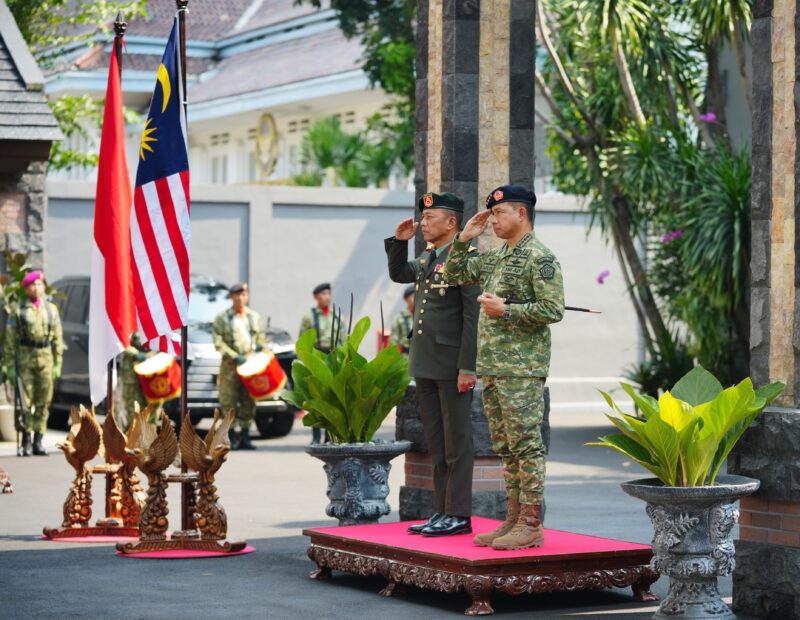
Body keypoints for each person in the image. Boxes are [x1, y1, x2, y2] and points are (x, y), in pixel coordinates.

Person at [444, 184, 564, 550]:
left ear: (521, 214)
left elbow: (553, 310)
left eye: (499, 213)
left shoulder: (540, 258)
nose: (493, 220)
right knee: (506, 447)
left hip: (522, 369)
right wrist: (464, 238)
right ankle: (511, 519)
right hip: (494, 367)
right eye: (491, 214)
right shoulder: (496, 256)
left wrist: (506, 310)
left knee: (527, 446)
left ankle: (531, 523)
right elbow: (454, 273)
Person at [385, 191, 479, 537]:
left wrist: (467, 367)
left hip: (452, 365)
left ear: (451, 222)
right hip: (425, 363)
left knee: (458, 443)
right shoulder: (429, 257)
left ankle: (459, 514)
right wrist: (398, 242)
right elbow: (399, 274)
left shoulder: (465, 257)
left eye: (430, 218)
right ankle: (441, 511)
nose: (423, 224)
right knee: (437, 444)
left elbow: (472, 317)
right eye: (423, 219)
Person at [3, 271, 63, 457]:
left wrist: (57, 362)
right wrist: (10, 366)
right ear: (26, 288)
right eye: (32, 285)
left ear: (43, 286)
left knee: (44, 401)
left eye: (39, 284)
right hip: (25, 358)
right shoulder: (18, 310)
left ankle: (39, 440)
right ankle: (26, 440)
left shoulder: (51, 309)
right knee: (26, 402)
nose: (36, 288)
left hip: (45, 358)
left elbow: (58, 337)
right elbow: (10, 339)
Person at [211, 282, 267, 450]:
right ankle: (231, 437)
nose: (240, 298)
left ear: (247, 296)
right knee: (229, 401)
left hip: (250, 367)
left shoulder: (253, 317)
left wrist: (258, 348)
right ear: (231, 297)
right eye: (237, 295)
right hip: (230, 367)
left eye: (243, 294)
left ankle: (245, 435)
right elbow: (218, 342)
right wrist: (235, 357)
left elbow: (260, 338)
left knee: (248, 400)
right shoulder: (222, 318)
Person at [298, 282, 343, 443]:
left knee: (331, 397)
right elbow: (303, 340)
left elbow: (343, 341)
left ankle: (328, 436)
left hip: (332, 358)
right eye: (323, 294)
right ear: (316, 296)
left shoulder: (338, 316)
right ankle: (316, 435)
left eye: (328, 294)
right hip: (316, 357)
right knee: (316, 396)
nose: (326, 297)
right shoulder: (309, 317)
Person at [120, 332, 151, 429]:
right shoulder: (131, 322)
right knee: (133, 406)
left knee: (150, 407)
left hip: (151, 371)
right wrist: (136, 354)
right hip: (132, 373)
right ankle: (131, 433)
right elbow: (123, 342)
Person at [388, 285, 415, 356]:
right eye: (412, 296)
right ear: (406, 299)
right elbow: (394, 341)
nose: (415, 298)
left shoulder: (424, 316)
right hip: (406, 357)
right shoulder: (399, 318)